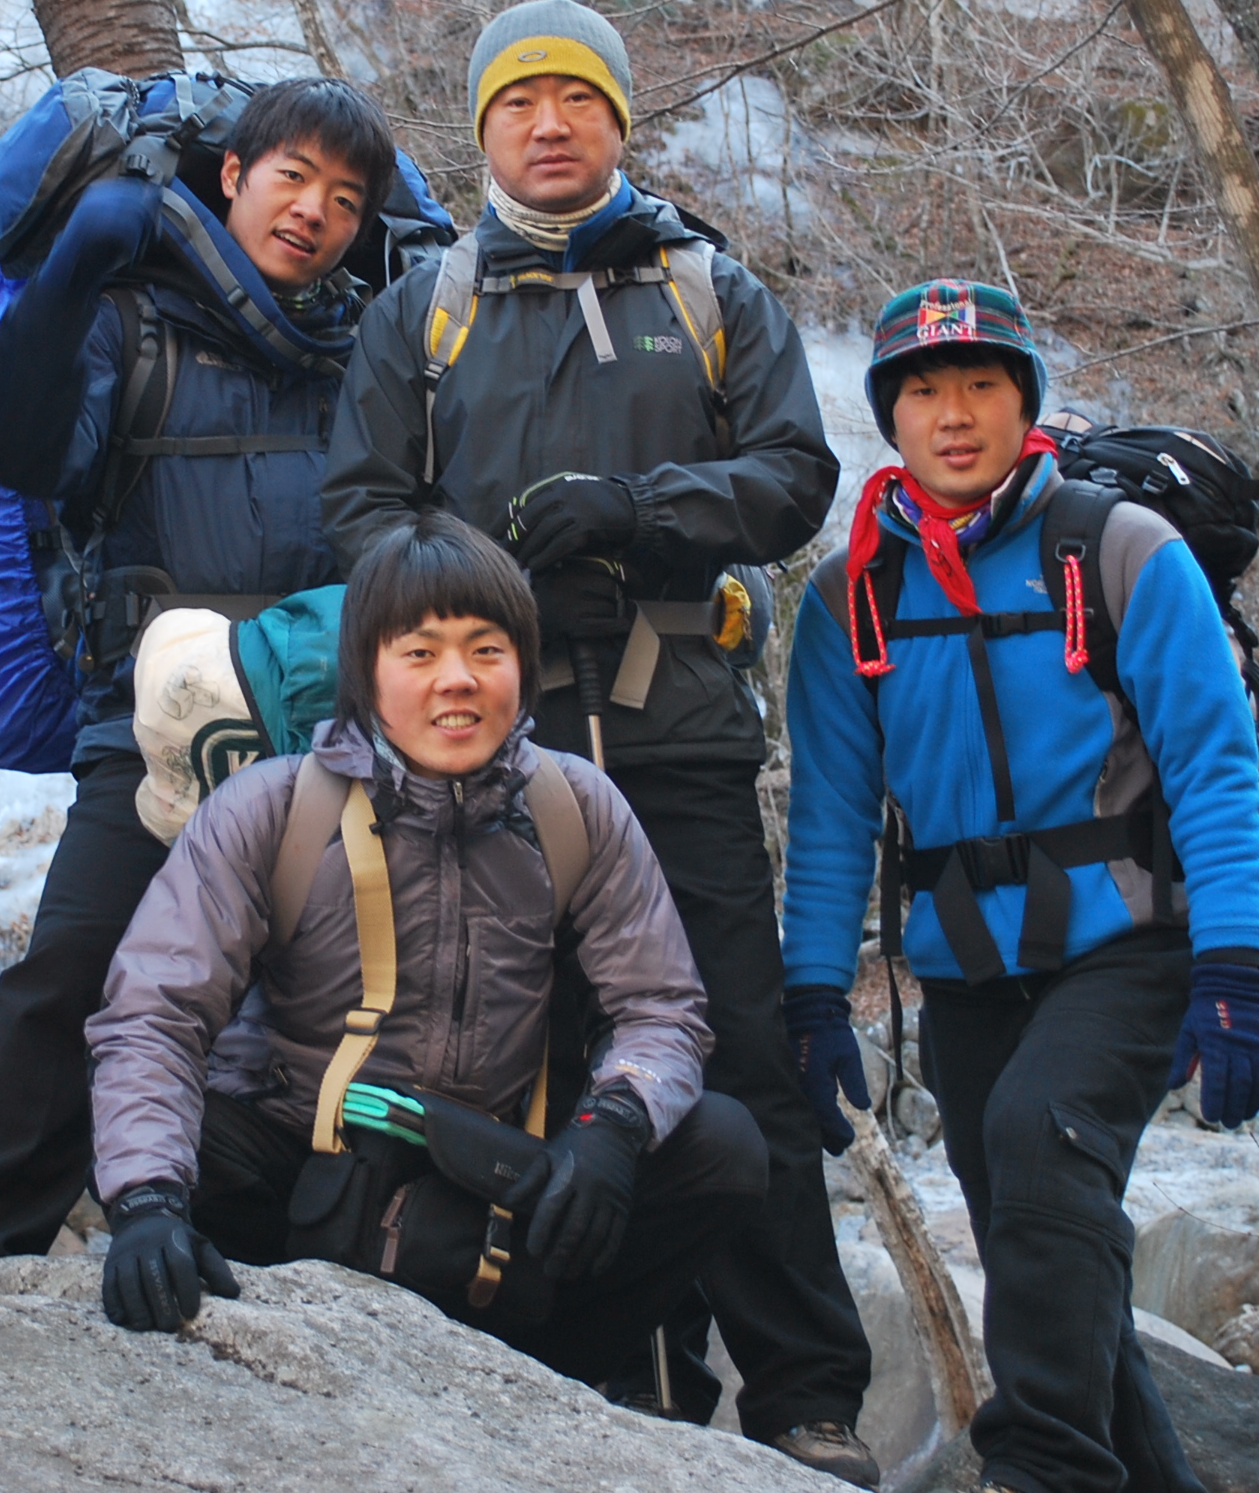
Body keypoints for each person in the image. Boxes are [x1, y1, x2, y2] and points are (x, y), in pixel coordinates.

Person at [320, 0, 876, 1478]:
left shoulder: (708, 290)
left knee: (735, 1049)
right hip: (489, 748)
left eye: (577, 98)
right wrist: (483, 589)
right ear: (483, 131)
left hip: (673, 730)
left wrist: (636, 513)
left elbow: (792, 476)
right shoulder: (424, 310)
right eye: (518, 102)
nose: (549, 124)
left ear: (620, 121)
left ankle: (806, 1393)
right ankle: (617, 1374)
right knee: (536, 1050)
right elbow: (361, 509)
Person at [0, 78, 405, 1290]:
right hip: (154, 726)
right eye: (292, 178)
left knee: (314, 1006)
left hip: (323, 730)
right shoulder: (131, 326)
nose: (314, 213)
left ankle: (267, 1260)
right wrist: (71, 275)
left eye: (345, 200)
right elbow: (19, 452)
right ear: (232, 176)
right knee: (76, 972)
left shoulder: (365, 352)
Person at [781, 280, 1259, 1493]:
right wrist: (811, 996)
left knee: (1039, 1139)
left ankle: (1041, 1467)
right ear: (890, 417)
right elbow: (832, 812)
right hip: (965, 961)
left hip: (1130, 940)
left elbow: (1213, 769)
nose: (953, 415)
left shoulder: (1120, 550)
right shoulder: (849, 594)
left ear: (1024, 402)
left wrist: (1234, 970)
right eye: (922, 391)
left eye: (981, 385)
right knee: (1035, 1229)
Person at [84, 511, 767, 1383]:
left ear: (523, 666)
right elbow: (154, 1014)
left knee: (720, 1148)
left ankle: (557, 1378)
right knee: (140, 1117)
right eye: (419, 652)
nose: (458, 681)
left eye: (487, 650)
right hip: (300, 1169)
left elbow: (660, 1008)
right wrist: (147, 1202)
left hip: (493, 1181)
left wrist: (614, 1126)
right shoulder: (272, 809)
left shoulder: (576, 808)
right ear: (364, 671)